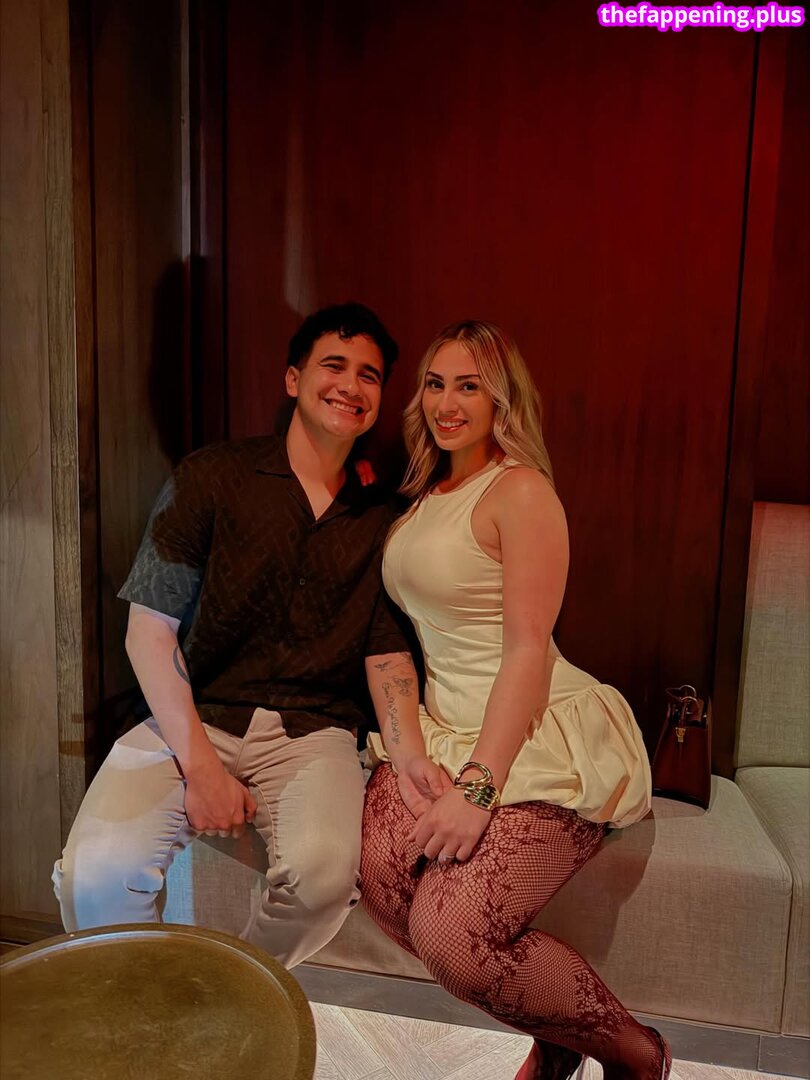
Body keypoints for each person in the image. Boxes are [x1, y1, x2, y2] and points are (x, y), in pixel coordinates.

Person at [53, 302, 437, 969]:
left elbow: (385, 652)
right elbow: (148, 632)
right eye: (334, 365)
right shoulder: (212, 476)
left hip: (313, 731)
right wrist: (202, 769)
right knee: (93, 877)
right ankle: (141, 1006)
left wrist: (410, 761)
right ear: (293, 379)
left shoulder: (384, 517)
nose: (350, 385)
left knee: (322, 883)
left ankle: (230, 997)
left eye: (369, 375)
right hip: (193, 711)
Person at [361, 321, 670, 1080]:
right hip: (444, 726)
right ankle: (559, 1038)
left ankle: (635, 1053)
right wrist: (415, 751)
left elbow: (528, 649)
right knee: (382, 887)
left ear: (502, 399)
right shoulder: (426, 493)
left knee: (453, 936)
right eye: (436, 384)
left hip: (535, 729)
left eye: (469, 386)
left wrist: (478, 787)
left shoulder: (521, 491)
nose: (447, 403)